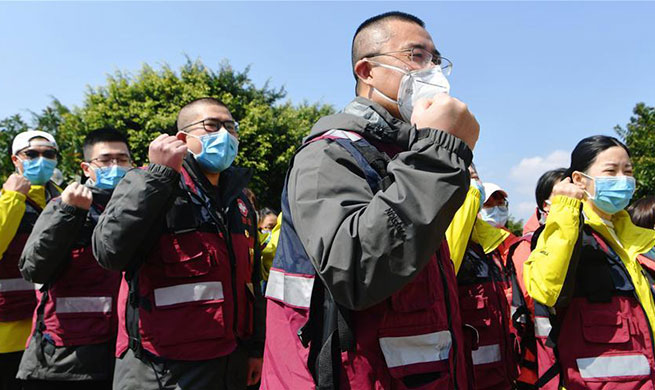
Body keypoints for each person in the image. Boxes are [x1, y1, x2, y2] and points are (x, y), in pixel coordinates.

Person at [262, 11, 480, 390]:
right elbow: (356, 272)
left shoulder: (403, 156)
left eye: (436, 59)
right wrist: (440, 151)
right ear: (367, 71)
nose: (433, 72)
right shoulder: (329, 153)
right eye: (416, 56)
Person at [92, 98, 264, 390]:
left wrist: (255, 349)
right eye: (212, 125)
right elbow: (109, 252)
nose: (224, 134)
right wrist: (160, 177)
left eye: (230, 127)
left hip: (230, 363)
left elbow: (252, 281)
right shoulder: (147, 181)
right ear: (183, 138)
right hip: (160, 370)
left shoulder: (240, 201)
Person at [524, 135, 655, 389]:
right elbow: (544, 290)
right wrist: (564, 210)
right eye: (610, 171)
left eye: (627, 171)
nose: (623, 180)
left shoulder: (645, 240)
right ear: (579, 180)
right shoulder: (567, 233)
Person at [16, 128, 131, 390]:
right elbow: (33, 269)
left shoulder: (139, 208)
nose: (115, 166)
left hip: (125, 359)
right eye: (105, 160)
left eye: (122, 160)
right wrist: (69, 213)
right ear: (87, 167)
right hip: (64, 361)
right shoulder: (62, 205)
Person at [445, 166, 520, 390]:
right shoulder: (440, 241)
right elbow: (451, 260)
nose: (474, 177)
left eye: (474, 170)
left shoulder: (489, 245)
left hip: (501, 377)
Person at [0, 130, 60, 390]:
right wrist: (13, 197)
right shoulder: (6, 199)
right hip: (8, 336)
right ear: (16, 160)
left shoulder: (64, 198)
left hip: (55, 334)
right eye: (32, 154)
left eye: (48, 154)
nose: (41, 159)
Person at [505, 168, 566, 390]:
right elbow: (534, 297)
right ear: (544, 205)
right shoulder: (527, 247)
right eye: (562, 196)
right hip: (545, 357)